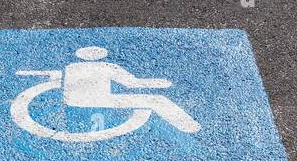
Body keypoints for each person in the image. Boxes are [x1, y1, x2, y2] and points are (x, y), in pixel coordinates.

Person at [60, 46, 201, 133]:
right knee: (157, 100)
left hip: (73, 101)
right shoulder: (106, 66)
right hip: (101, 100)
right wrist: (160, 83)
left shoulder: (71, 67)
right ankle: (188, 126)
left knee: (151, 99)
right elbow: (131, 83)